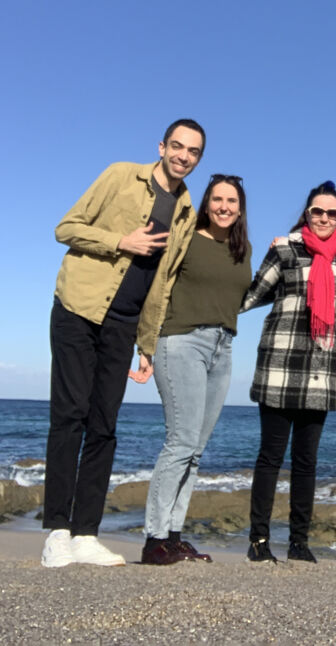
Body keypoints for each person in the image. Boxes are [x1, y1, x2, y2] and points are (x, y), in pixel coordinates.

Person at [42, 119, 205, 568]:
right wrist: (121, 241)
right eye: (177, 146)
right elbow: (66, 227)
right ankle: (56, 531)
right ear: (162, 146)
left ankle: (85, 534)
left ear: (197, 159)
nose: (183, 156)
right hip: (79, 307)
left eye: (192, 151)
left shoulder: (187, 211)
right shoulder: (120, 175)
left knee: (104, 426)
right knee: (69, 416)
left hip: (124, 325)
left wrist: (146, 344)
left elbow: (164, 282)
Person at [132, 174, 252, 565]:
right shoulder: (186, 237)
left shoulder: (242, 248)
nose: (224, 207)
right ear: (207, 203)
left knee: (196, 451)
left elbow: (238, 296)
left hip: (223, 347)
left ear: (240, 207)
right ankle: (154, 540)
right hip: (181, 341)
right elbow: (159, 287)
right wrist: (146, 344)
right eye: (217, 199)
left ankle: (174, 535)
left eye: (231, 201)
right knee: (180, 442)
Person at [243, 181, 336, 563]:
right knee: (270, 457)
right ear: (307, 213)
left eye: (332, 213)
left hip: (321, 370)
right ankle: (259, 541)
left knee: (307, 462)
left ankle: (299, 542)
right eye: (317, 211)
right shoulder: (285, 247)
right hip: (280, 363)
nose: (324, 218)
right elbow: (250, 296)